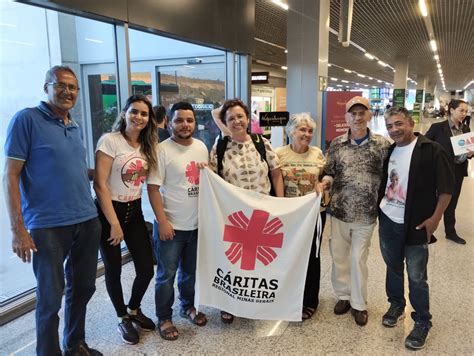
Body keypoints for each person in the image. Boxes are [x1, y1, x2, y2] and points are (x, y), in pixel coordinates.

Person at [3, 66, 102, 356]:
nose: (68, 91)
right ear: (46, 86)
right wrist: (18, 230)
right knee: (49, 297)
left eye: (73, 87)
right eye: (61, 85)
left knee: (83, 288)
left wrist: (105, 172)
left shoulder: (74, 125)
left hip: (86, 219)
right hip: (47, 226)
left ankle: (74, 344)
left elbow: (69, 168)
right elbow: (10, 175)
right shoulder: (26, 120)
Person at [379, 107, 453, 350]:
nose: (394, 130)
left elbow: (446, 190)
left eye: (399, 124)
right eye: (390, 126)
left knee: (417, 275)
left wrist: (435, 219)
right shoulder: (390, 150)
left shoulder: (431, 149)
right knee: (392, 266)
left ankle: (422, 321)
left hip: (417, 223)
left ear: (411, 123)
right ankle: (397, 303)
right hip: (389, 219)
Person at [209, 98, 284, 323]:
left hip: (262, 213)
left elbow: (276, 172)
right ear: (225, 122)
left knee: (259, 261)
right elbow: (212, 176)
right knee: (234, 261)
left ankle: (255, 301)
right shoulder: (220, 145)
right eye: (230, 118)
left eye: (240, 116)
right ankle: (229, 304)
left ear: (248, 118)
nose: (236, 121)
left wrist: (280, 204)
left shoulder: (262, 142)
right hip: (235, 217)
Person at [93, 94, 158, 345]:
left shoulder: (147, 145)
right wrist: (114, 223)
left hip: (135, 209)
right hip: (109, 212)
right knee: (114, 268)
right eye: (134, 112)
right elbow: (100, 185)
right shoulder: (110, 141)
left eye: (143, 113)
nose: (138, 117)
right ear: (124, 113)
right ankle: (122, 317)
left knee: (145, 267)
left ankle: (133, 309)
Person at [322, 96, 390, 326]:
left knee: (358, 258)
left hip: (366, 214)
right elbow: (328, 171)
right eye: (353, 113)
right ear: (346, 118)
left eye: (362, 113)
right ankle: (343, 296)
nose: (358, 117)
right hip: (339, 211)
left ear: (369, 115)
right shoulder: (337, 144)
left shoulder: (382, 145)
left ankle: (359, 304)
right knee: (339, 257)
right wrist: (327, 182)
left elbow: (391, 176)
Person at [148, 102, 209, 341]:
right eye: (179, 120)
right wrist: (162, 221)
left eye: (189, 120)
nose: (185, 124)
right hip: (171, 226)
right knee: (166, 275)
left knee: (191, 272)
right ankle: (164, 317)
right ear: (169, 123)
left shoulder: (202, 147)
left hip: (197, 225)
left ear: (195, 122)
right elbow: (152, 189)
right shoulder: (161, 150)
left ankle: (187, 306)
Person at [275, 112, 326, 321]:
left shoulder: (317, 154)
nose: (306, 134)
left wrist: (323, 184)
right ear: (290, 131)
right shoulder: (278, 153)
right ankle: (286, 296)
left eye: (310, 130)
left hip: (313, 214)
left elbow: (325, 178)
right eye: (302, 129)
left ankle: (310, 300)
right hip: (289, 214)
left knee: (312, 258)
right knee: (288, 256)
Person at [425, 99, 472, 244]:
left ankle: (450, 232)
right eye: (461, 110)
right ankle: (426, 230)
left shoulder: (465, 130)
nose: (464, 114)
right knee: (433, 199)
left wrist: (471, 153)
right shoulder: (437, 127)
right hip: (440, 170)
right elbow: (425, 144)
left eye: (466, 111)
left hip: (457, 170)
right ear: (452, 110)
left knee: (452, 201)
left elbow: (467, 151)